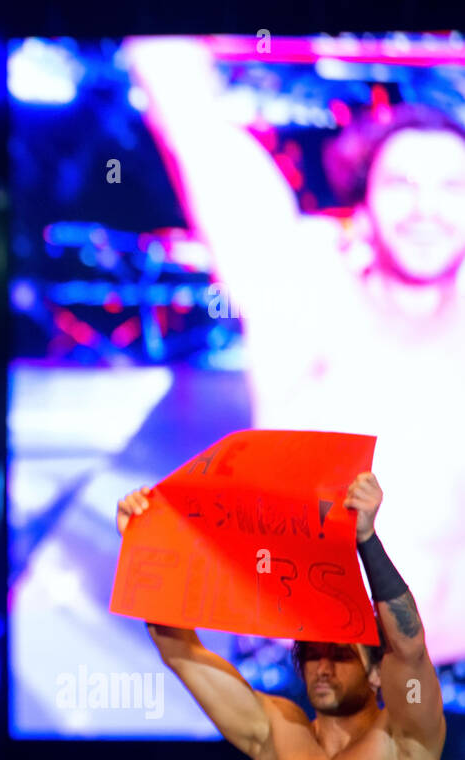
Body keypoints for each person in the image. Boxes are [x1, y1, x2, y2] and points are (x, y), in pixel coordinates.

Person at [124, 35, 465, 663]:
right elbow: (190, 117)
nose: (426, 208)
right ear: (362, 208)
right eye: (401, 183)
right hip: (314, 678)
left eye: (451, 186)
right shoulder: (305, 299)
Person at [116, 472, 446, 760]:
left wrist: (366, 539)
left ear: (376, 673)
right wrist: (144, 541)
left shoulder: (407, 739)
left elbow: (409, 646)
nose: (322, 667)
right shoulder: (278, 734)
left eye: (340, 655)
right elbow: (178, 650)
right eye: (312, 653)